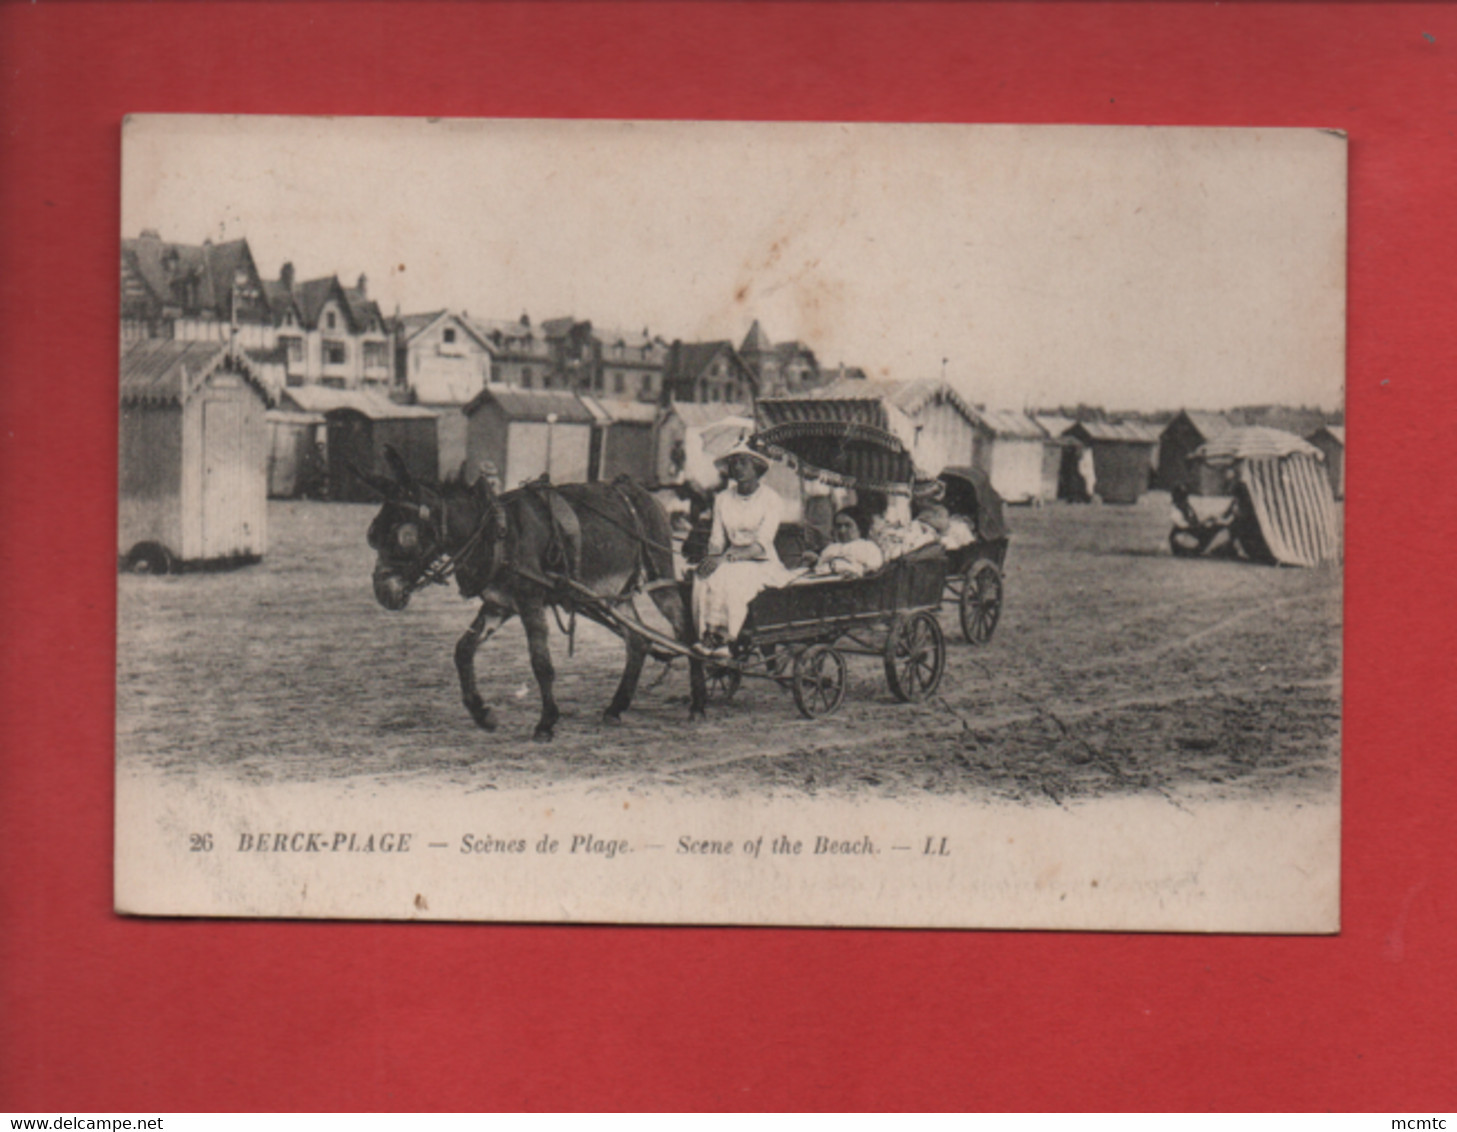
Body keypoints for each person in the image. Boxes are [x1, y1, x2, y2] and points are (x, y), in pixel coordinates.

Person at [692, 441, 790, 653]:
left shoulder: (771, 499)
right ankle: (707, 636)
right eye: (733, 463)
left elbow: (761, 545)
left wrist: (725, 559)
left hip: (762, 563)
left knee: (733, 577)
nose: (737, 468)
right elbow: (717, 538)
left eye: (743, 463)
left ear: (757, 467)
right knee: (704, 576)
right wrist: (712, 558)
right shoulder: (722, 499)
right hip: (729, 558)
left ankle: (725, 639)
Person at [798, 509, 884, 580]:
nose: (842, 530)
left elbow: (873, 570)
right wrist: (815, 561)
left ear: (859, 527)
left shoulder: (868, 547)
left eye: (847, 525)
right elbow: (818, 568)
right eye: (838, 526)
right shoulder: (831, 548)